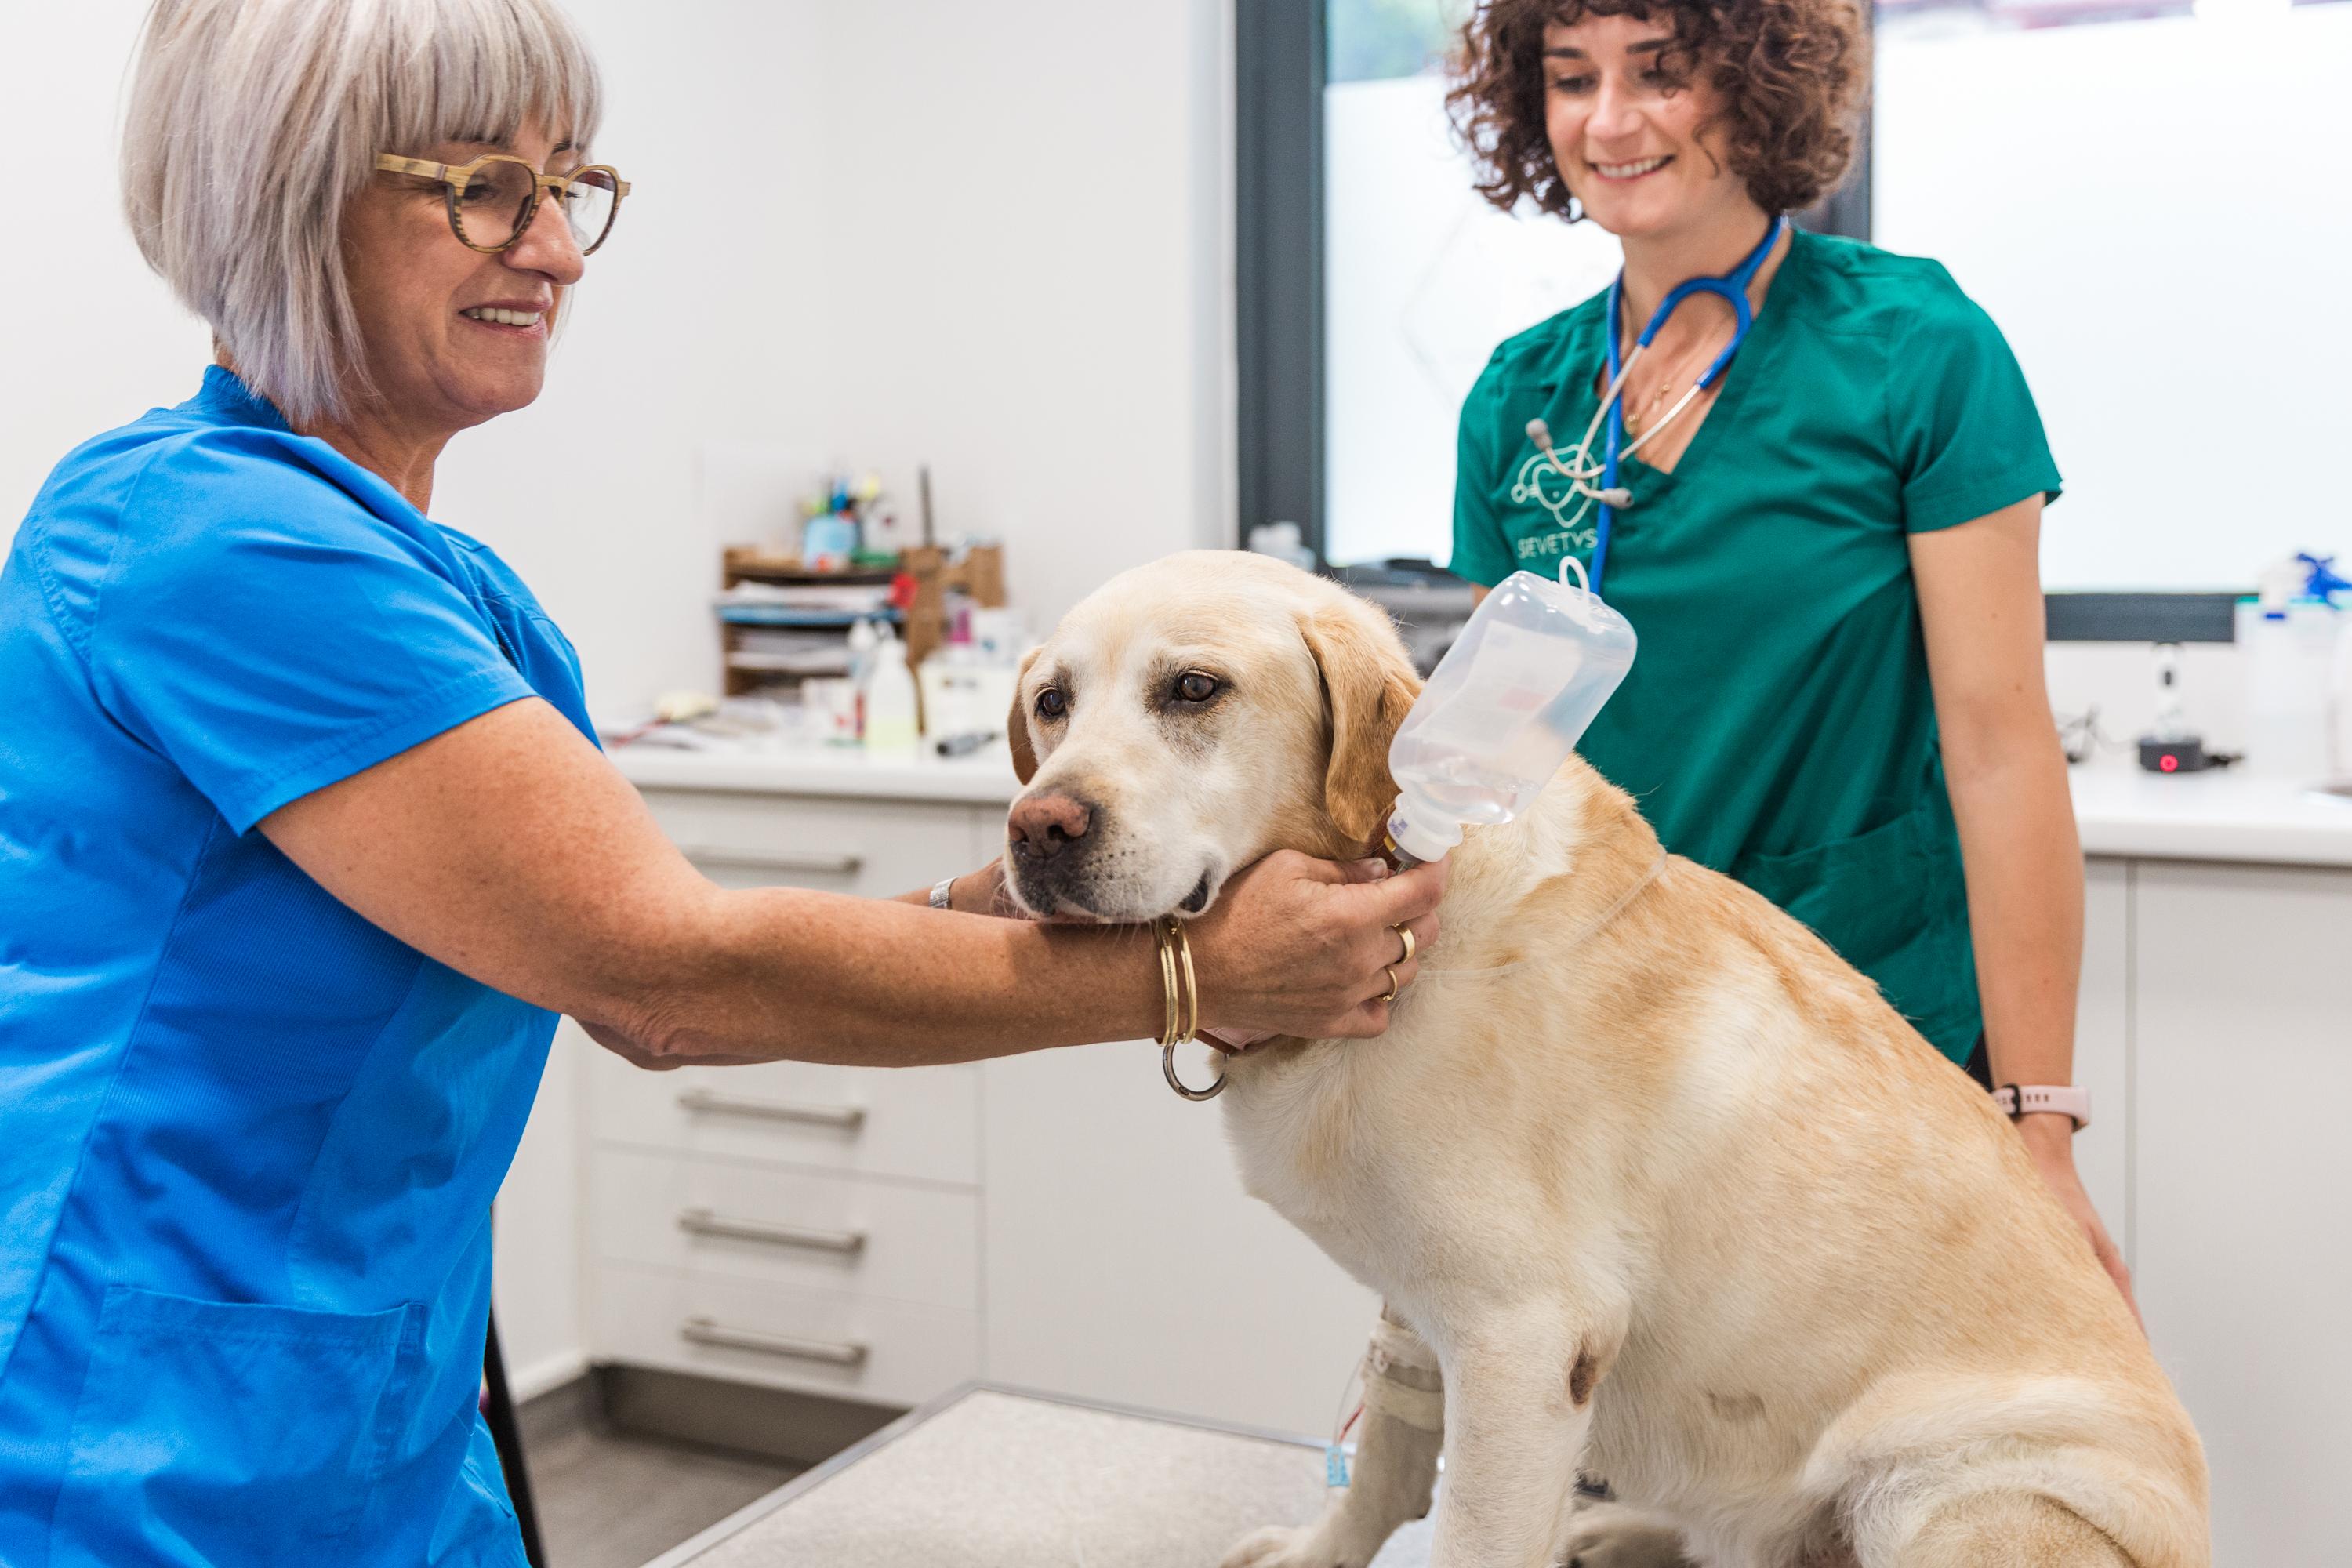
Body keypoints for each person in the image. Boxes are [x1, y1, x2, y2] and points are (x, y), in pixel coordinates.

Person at [0, 2, 1442, 1562]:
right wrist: (1192, 975)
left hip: (361, 1427)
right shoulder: (214, 546)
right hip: (128, 1447)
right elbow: (668, 981)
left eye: (571, 186)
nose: (554, 249)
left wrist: (1035, 896)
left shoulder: (448, 588)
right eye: (491, 187)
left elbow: (636, 982)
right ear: (285, 186)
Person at [1443, 0, 2129, 1310]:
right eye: (1570, 78)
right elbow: (1495, 773)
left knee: (1842, 1456)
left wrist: (2038, 1120)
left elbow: (1999, 749)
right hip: (1600, 1032)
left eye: (1661, 73)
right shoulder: (1518, 401)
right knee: (1611, 1465)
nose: (1610, 122)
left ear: (1757, 84)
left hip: (1861, 1022)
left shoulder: (1914, 350)